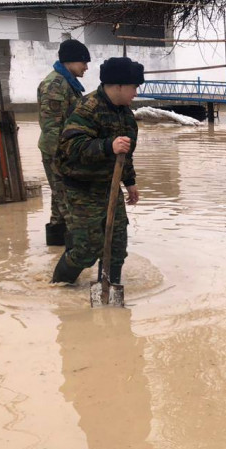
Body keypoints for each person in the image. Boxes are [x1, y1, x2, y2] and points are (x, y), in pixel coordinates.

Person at [51, 56, 143, 285]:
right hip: (80, 187)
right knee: (87, 249)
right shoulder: (87, 108)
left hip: (108, 186)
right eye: (134, 87)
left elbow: (126, 153)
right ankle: (59, 287)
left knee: (117, 245)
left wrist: (130, 182)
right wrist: (107, 146)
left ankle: (109, 290)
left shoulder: (126, 114)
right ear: (118, 86)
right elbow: (70, 147)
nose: (136, 93)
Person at [37, 39, 91, 246]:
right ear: (70, 61)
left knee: (58, 199)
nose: (86, 67)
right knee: (68, 199)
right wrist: (63, 159)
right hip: (57, 153)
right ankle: (75, 252)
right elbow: (52, 127)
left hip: (64, 150)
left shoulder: (68, 83)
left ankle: (55, 248)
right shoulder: (56, 85)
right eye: (83, 62)